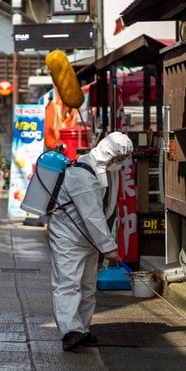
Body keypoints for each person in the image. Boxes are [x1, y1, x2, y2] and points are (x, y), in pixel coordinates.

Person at [47, 131, 133, 351]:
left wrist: (104, 244)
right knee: (68, 283)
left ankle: (82, 329)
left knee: (86, 286)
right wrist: (109, 248)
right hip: (68, 237)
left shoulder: (104, 171)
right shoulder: (81, 175)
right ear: (109, 153)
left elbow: (102, 212)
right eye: (119, 158)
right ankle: (70, 331)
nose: (121, 163)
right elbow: (92, 215)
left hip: (87, 239)